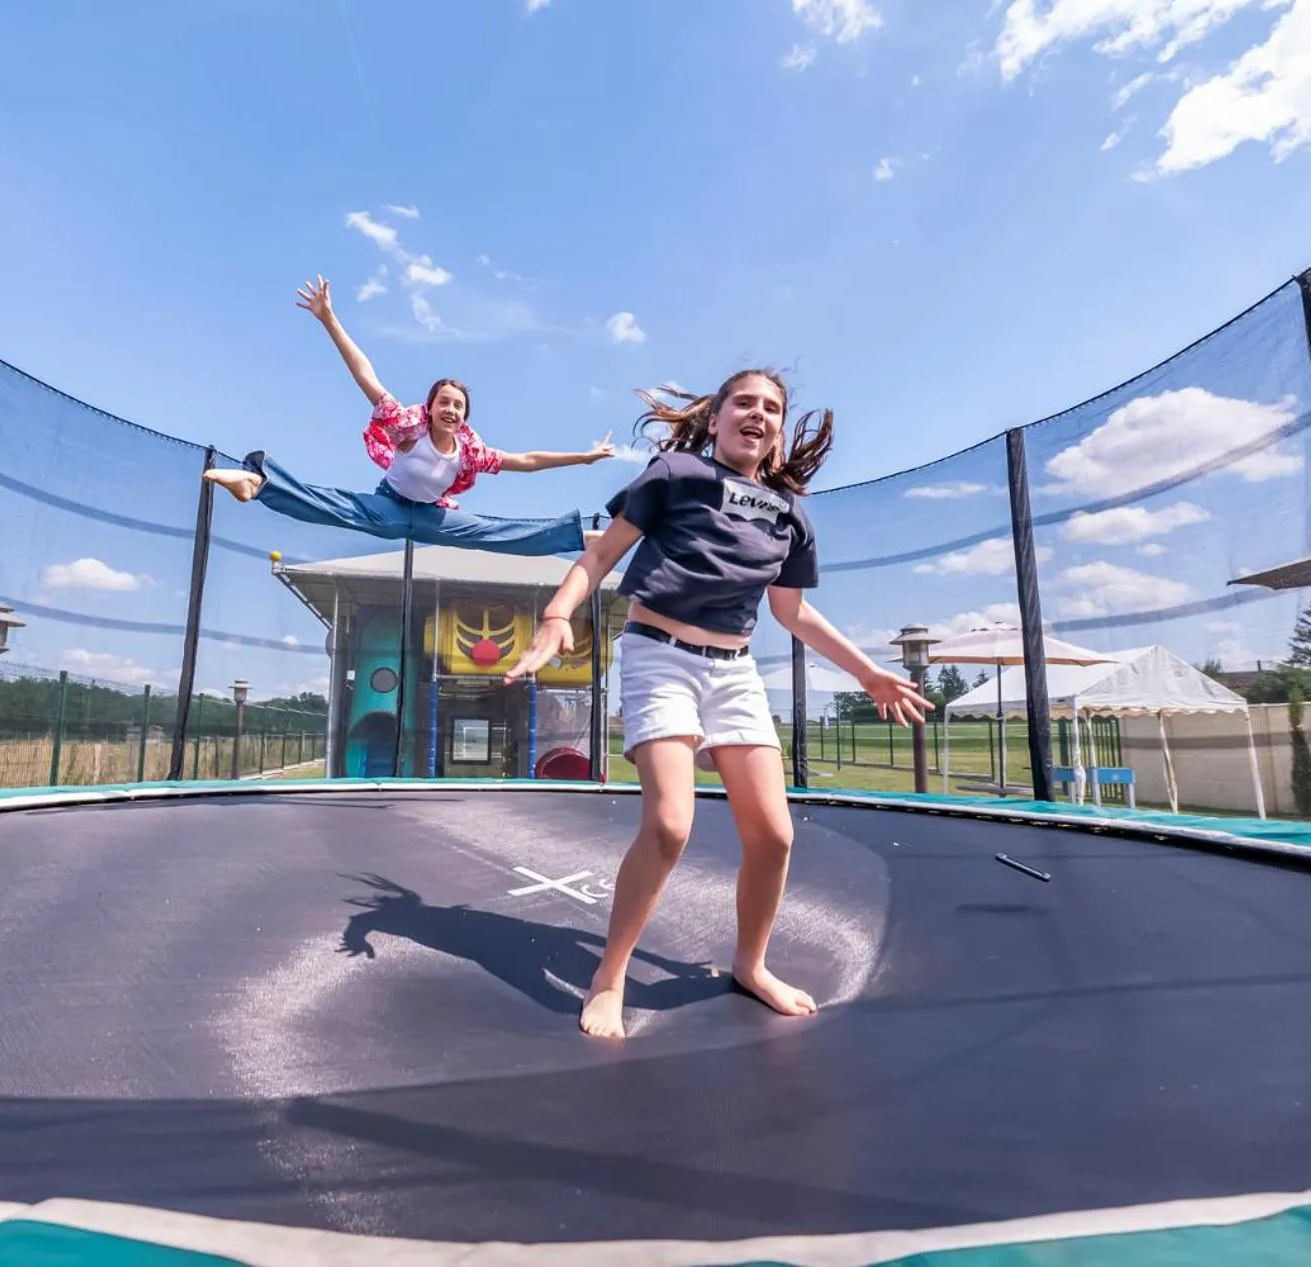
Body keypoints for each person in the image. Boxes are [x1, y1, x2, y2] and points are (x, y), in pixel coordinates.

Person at [504, 369, 933, 1039]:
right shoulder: (674, 475)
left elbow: (792, 612)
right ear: (716, 418)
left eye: (772, 408)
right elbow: (603, 555)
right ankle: (610, 975)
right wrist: (558, 615)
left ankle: (750, 964)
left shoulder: (791, 516)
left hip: (733, 673)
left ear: (779, 432)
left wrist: (870, 672)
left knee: (774, 834)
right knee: (671, 825)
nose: (757, 413)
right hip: (659, 654)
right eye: (745, 402)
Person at [204, 276, 614, 556]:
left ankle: (579, 536)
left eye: (458, 406)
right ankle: (258, 484)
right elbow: (365, 374)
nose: (451, 410)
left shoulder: (470, 451)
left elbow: (526, 461)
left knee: (494, 533)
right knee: (339, 506)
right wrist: (329, 318)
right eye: (444, 402)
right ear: (431, 407)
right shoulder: (406, 426)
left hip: (436, 517)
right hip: (390, 507)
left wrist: (586, 456)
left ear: (464, 416)